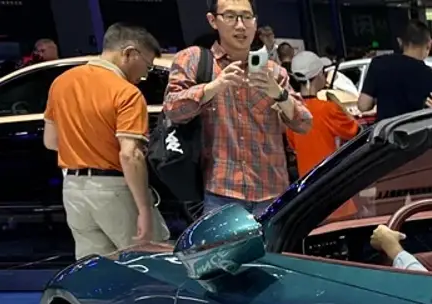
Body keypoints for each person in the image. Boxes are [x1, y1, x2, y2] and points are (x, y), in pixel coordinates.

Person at [163, 0, 312, 217]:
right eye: (231, 17)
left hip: (272, 193)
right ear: (213, 20)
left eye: (247, 17)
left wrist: (279, 94)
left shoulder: (273, 72)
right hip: (219, 192)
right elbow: (172, 109)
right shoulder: (194, 59)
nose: (240, 26)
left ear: (255, 22)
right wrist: (213, 87)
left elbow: (305, 123)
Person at [42, 23, 168, 259]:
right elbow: (130, 155)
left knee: (95, 269)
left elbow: (50, 141)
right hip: (115, 191)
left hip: (74, 191)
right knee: (149, 262)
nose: (144, 75)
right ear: (129, 53)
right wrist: (144, 209)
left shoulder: (61, 82)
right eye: (147, 66)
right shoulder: (126, 93)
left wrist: (85, 147)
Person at [286, 51, 359, 174]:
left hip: (307, 179)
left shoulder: (290, 110)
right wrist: (340, 107)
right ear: (319, 74)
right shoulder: (328, 108)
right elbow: (357, 133)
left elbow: (293, 145)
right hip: (330, 176)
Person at [358, 20, 432, 122]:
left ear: (400, 42)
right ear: (430, 44)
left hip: (387, 131)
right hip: (419, 131)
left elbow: (363, 106)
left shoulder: (379, 64)